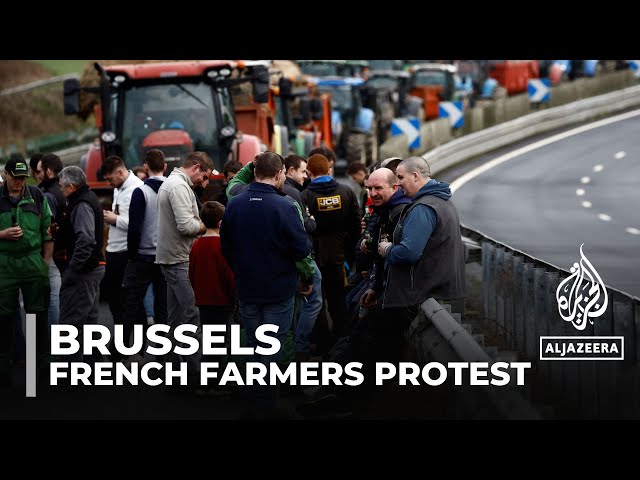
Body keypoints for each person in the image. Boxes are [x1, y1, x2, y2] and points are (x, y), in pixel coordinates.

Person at [220, 151, 312, 418]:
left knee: (253, 347)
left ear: (255, 172)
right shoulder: (284, 207)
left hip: (247, 287)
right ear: (280, 173)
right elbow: (301, 249)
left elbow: (226, 247)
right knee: (271, 348)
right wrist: (305, 278)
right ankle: (264, 407)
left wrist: (241, 270)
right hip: (278, 289)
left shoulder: (235, 203)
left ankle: (254, 403)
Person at [371, 156, 467, 323]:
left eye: (400, 177)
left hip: (419, 295)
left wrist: (387, 249)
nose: (398, 183)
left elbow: (408, 253)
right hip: (438, 292)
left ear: (415, 176)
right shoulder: (442, 200)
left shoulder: (423, 208)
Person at [156, 151, 212, 389]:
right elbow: (186, 225)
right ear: (197, 167)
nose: (204, 182)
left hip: (171, 258)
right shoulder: (179, 186)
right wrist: (207, 225)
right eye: (205, 176)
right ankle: (197, 377)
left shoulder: (174, 183)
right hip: (179, 259)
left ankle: (173, 373)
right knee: (191, 317)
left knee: (175, 319)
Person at [0, 159, 52, 387]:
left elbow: (48, 232)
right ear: (5, 174)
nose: (20, 182)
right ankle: (4, 373)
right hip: (4, 265)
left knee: (38, 320)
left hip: (33, 263)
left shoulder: (38, 196)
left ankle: (43, 370)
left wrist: (44, 263)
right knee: (3, 322)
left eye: (23, 177)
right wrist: (2, 234)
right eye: (15, 177)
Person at [302, 153, 361, 345]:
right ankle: (342, 341)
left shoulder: (305, 196)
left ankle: (321, 342)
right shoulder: (346, 192)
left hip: (315, 258)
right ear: (329, 170)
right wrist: (350, 253)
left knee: (315, 303)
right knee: (339, 300)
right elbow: (356, 225)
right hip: (340, 258)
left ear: (309, 172)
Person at [56, 166, 106, 364]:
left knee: (72, 320)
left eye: (62, 187)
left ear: (70, 186)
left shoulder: (82, 204)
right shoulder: (85, 199)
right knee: (88, 319)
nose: (60, 190)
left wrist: (72, 269)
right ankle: (94, 365)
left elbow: (85, 240)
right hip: (91, 267)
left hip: (83, 270)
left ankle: (72, 369)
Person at [121, 149, 168, 356]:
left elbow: (134, 228)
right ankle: (163, 351)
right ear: (165, 167)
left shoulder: (140, 192)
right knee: (163, 305)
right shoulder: (173, 190)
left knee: (131, 303)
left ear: (145, 167)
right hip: (166, 256)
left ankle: (122, 350)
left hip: (142, 256)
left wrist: (132, 254)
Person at [189, 200, 235, 395]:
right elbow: (229, 276)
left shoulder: (197, 245)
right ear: (220, 223)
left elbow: (191, 273)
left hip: (203, 300)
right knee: (220, 343)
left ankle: (204, 382)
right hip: (222, 301)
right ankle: (216, 383)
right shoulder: (223, 246)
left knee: (209, 342)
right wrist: (235, 297)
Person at [101, 156, 143, 338]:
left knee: (128, 299)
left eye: (110, 179)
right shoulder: (120, 188)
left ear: (120, 172)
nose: (109, 183)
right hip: (114, 250)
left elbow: (138, 223)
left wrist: (114, 219)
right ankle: (124, 339)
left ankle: (129, 342)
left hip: (125, 252)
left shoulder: (135, 189)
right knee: (116, 299)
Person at [37, 153, 66, 330]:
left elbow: (50, 227)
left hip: (55, 252)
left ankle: (55, 339)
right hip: (68, 251)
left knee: (53, 297)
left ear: (48, 171)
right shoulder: (66, 189)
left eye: (40, 171)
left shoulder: (48, 195)